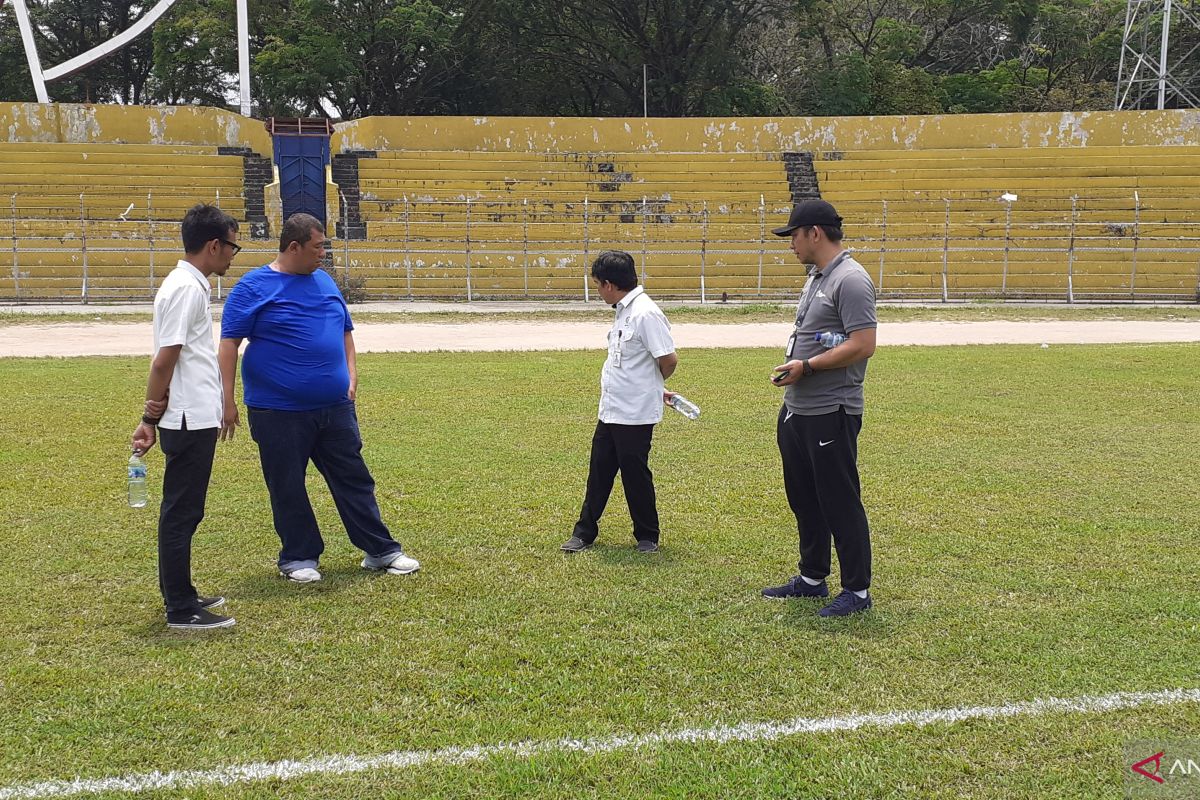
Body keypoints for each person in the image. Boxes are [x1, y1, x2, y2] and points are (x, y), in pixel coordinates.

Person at [217, 213, 419, 583]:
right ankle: (298, 557)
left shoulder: (324, 282)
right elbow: (229, 344)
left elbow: (344, 332)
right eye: (318, 246)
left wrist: (351, 376)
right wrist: (227, 400)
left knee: (354, 477)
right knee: (287, 483)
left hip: (334, 407)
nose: (323, 253)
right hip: (278, 410)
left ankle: (380, 550)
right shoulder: (253, 286)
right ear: (293, 247)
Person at [761, 199, 878, 617]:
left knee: (839, 499)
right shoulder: (817, 277)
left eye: (793, 235)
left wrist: (807, 365)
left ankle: (857, 591)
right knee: (804, 496)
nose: (790, 244)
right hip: (798, 407)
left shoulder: (851, 279)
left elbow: (863, 345)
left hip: (832, 408)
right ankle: (812, 577)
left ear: (814, 233)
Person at [130, 203, 240, 630]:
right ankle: (180, 607)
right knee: (180, 512)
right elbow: (164, 361)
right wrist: (148, 418)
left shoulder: (188, 285)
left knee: (185, 511)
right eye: (232, 246)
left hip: (191, 416)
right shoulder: (186, 289)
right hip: (188, 420)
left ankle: (185, 593)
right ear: (213, 245)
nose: (233, 255)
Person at [561, 250, 678, 555]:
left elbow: (668, 359)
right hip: (611, 410)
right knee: (599, 471)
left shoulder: (645, 313)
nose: (598, 291)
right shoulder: (623, 309)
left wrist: (653, 387)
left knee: (634, 474)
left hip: (635, 414)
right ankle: (584, 532)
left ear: (610, 285)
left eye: (598, 284)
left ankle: (647, 536)